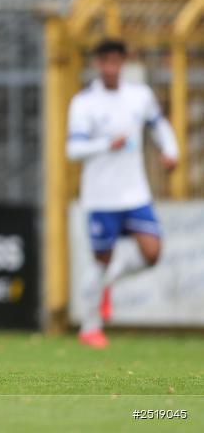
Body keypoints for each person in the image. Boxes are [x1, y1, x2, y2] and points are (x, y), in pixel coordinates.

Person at [67, 39, 179, 348]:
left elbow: (159, 125)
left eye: (116, 61)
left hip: (135, 193)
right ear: (97, 64)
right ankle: (90, 327)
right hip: (101, 196)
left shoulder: (139, 96)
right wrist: (106, 144)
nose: (111, 68)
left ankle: (110, 281)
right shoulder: (84, 102)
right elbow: (72, 149)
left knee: (152, 253)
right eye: (105, 62)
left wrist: (171, 151)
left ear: (123, 62)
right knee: (99, 261)